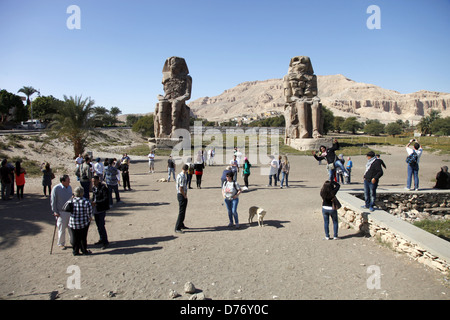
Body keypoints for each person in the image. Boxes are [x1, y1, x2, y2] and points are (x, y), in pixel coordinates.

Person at [51, 175, 73, 250]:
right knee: (61, 228)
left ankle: (73, 242)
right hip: (61, 212)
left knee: (71, 228)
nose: (69, 181)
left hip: (70, 211)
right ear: (63, 181)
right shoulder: (56, 188)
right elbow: (53, 201)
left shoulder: (69, 188)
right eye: (68, 180)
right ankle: (61, 243)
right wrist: (55, 211)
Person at [69, 186, 93, 256]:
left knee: (74, 237)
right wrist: (90, 218)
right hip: (83, 222)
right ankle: (84, 250)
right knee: (83, 237)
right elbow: (89, 212)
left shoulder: (71, 201)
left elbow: (66, 208)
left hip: (73, 223)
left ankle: (75, 251)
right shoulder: (86, 201)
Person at [92, 175, 110, 249]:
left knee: (101, 225)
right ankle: (101, 239)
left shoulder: (103, 188)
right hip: (96, 209)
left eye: (95, 181)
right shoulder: (94, 188)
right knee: (98, 226)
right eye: (92, 181)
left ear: (98, 180)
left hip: (101, 209)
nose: (93, 183)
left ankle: (105, 242)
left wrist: (97, 202)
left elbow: (106, 198)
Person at [175, 164, 189, 234]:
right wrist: (184, 195)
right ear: (187, 170)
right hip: (181, 195)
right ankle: (177, 227)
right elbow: (181, 188)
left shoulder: (180, 175)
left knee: (183, 211)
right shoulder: (182, 176)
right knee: (181, 211)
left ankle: (181, 224)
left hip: (181, 194)